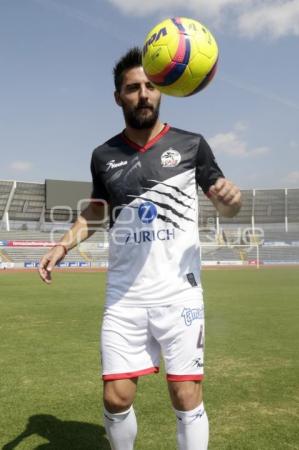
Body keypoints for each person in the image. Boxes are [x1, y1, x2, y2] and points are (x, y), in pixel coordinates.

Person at [39, 47, 242, 450]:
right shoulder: (103, 156)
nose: (143, 95)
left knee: (186, 395)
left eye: (150, 86)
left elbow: (224, 202)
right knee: (116, 397)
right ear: (119, 97)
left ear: (163, 89)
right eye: (133, 88)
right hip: (124, 296)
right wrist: (62, 245)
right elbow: (97, 211)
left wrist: (229, 201)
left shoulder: (191, 145)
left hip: (178, 293)